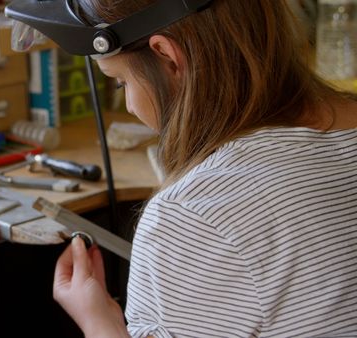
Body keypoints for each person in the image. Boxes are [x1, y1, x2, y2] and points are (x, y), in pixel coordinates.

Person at [51, 1, 357, 337]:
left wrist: (98, 323)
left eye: (122, 81)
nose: (130, 106)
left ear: (167, 56)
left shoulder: (194, 213)